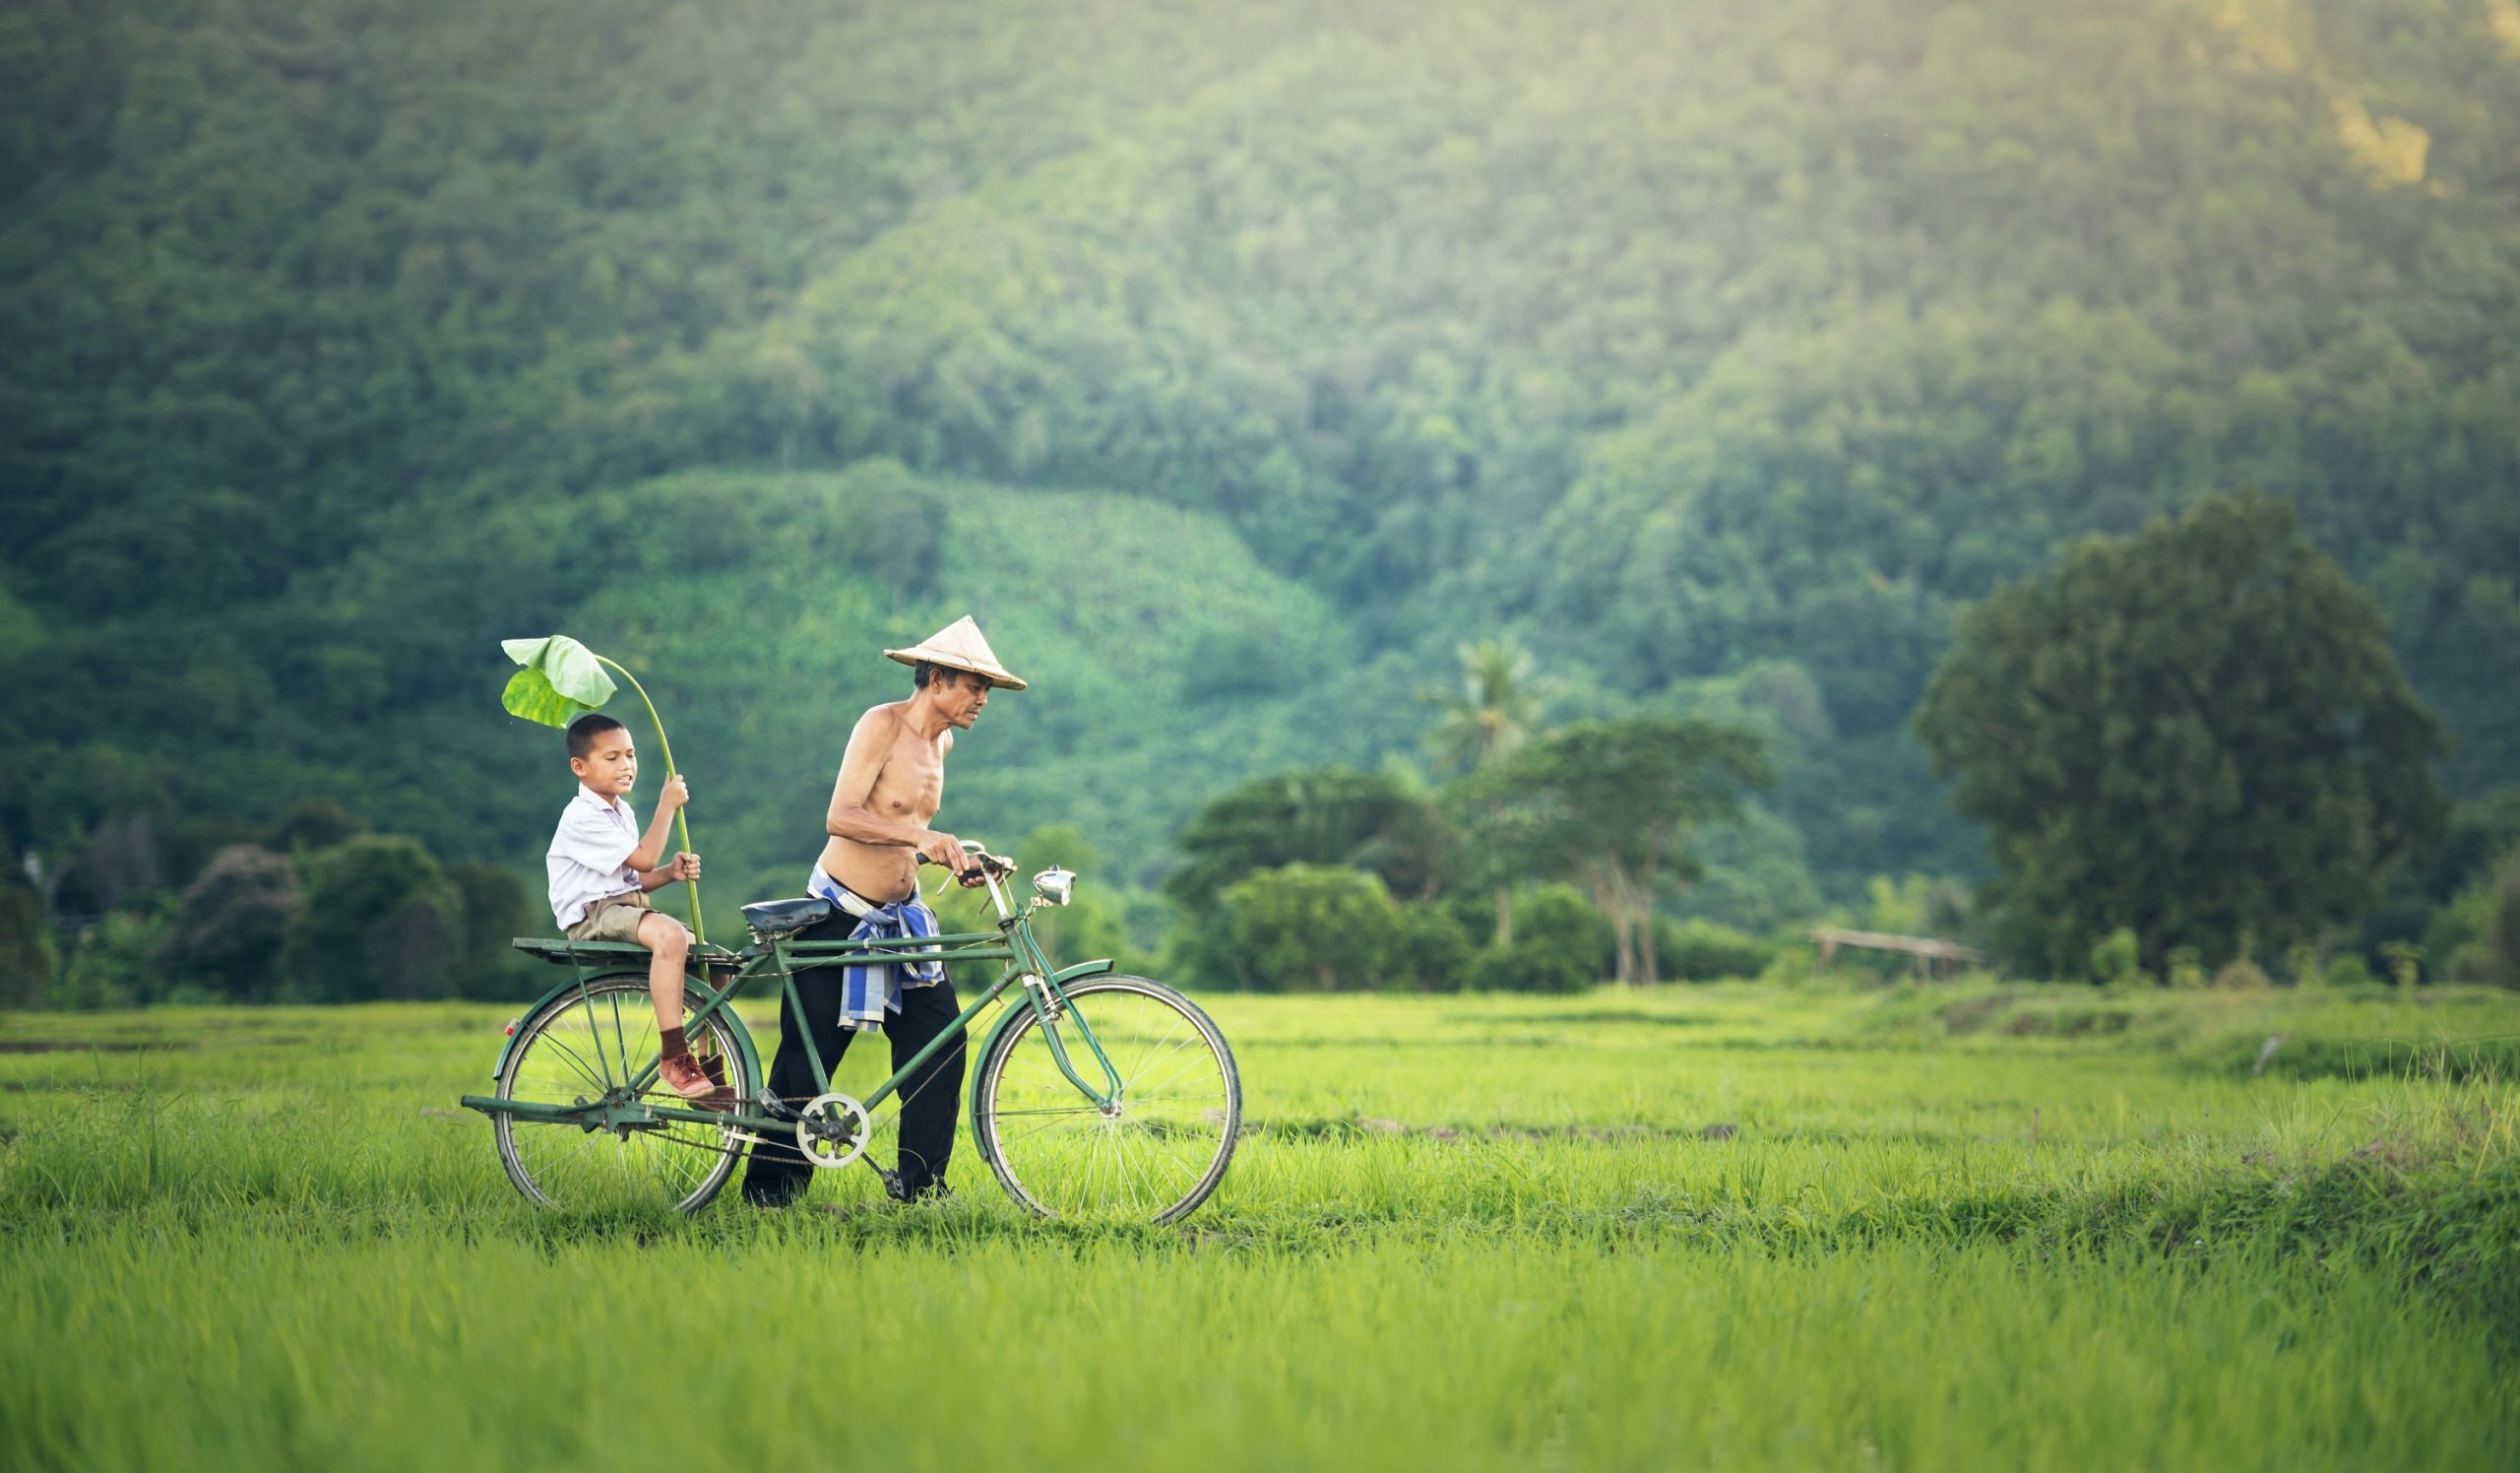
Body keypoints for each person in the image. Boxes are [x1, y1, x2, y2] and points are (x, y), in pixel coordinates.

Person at [741, 615, 1027, 1206]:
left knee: (940, 1043)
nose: (982, 700)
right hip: (838, 913)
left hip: (903, 919)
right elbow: (841, 816)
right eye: (975, 687)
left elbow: (911, 830)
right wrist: (920, 841)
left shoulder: (940, 743)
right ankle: (769, 1197)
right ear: (939, 678)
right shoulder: (881, 724)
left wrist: (955, 856)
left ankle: (922, 1190)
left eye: (987, 691)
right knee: (807, 1062)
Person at [545, 712, 712, 1099]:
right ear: (579, 767)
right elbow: (644, 859)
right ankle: (675, 1055)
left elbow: (636, 878)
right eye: (612, 757)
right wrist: (666, 806)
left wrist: (671, 872)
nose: (626, 765)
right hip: (594, 915)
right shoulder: (581, 817)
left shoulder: (621, 812)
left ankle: (713, 1063)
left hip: (625, 907)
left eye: (631, 755)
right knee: (670, 936)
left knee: (712, 961)